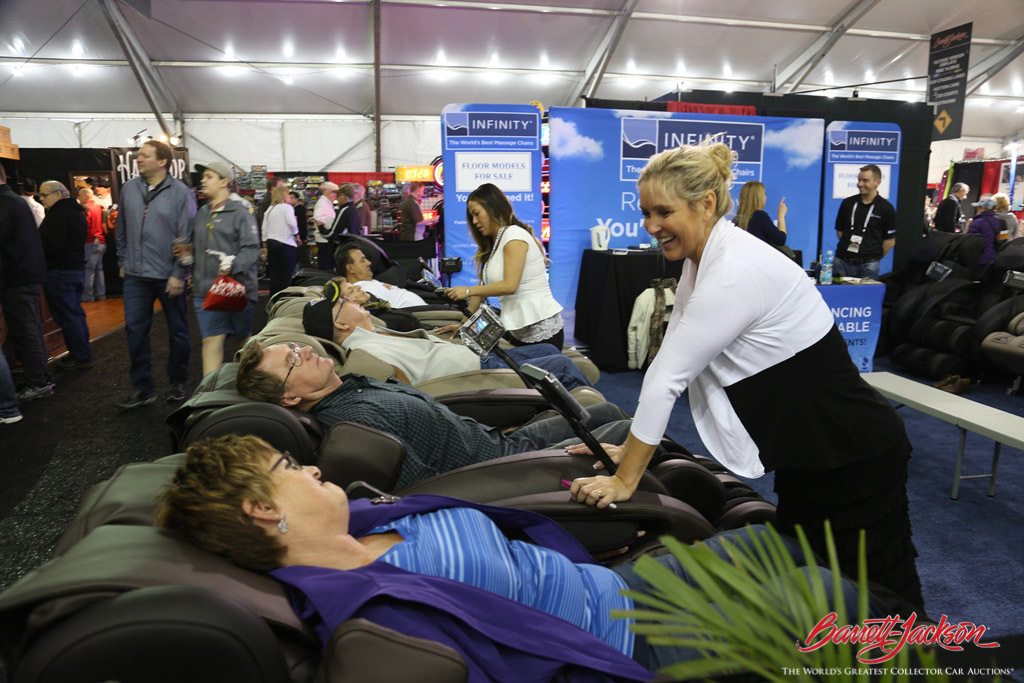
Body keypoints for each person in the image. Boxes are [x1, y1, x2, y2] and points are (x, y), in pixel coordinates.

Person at [156, 435, 878, 680]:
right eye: (289, 465)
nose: (311, 469)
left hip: (617, 582)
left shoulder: (367, 515)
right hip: (633, 639)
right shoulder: (368, 607)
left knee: (782, 538)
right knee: (828, 594)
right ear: (261, 509)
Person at [567, 143, 925, 613]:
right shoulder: (704, 261)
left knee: (874, 597)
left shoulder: (734, 268)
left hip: (853, 457)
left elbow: (666, 380)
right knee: (826, 594)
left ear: (707, 203)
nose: (651, 226)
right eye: (646, 212)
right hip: (811, 456)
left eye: (663, 211)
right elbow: (667, 366)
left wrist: (626, 478)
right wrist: (634, 452)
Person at [236, 341, 632, 490]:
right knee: (629, 427)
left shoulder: (352, 385)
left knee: (604, 409)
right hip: (505, 468)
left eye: (294, 346)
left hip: (498, 441)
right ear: (288, 397)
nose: (303, 351)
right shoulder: (356, 423)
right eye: (291, 359)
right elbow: (431, 488)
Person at [301, 288, 591, 390]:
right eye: (345, 304)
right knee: (560, 364)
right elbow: (411, 388)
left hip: (475, 358)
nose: (354, 301)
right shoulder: (364, 351)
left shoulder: (371, 335)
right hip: (475, 375)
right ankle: (612, 433)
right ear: (339, 322)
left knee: (544, 349)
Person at [445, 183, 564, 348]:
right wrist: (464, 324)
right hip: (519, 330)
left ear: (493, 208)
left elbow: (510, 285)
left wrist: (466, 291)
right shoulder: (497, 242)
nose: (474, 221)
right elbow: (481, 291)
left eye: (477, 214)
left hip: (541, 330)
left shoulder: (514, 237)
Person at [189, 161, 261, 378]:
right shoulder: (201, 213)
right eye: (203, 176)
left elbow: (252, 248)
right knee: (211, 340)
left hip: (236, 291)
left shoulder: (241, 213)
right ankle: (208, 396)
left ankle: (251, 384)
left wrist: (233, 265)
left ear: (223, 182)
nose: (203, 180)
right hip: (206, 291)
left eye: (208, 176)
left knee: (242, 341)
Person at [0, 164, 52, 401]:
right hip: (25, 275)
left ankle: (38, 382)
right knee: (30, 328)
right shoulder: (15, 201)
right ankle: (41, 378)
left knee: (26, 330)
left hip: (16, 277)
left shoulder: (5, 203)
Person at [38, 181, 93, 371]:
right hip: (74, 269)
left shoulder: (58, 215)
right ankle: (82, 352)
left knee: (68, 316)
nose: (41, 199)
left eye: (44, 195)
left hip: (60, 271)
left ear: (59, 194)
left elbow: (51, 244)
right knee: (75, 314)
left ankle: (80, 355)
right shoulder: (76, 213)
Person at [832, 164, 896, 280]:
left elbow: (890, 242)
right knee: (839, 296)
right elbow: (840, 231)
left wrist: (873, 257)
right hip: (841, 262)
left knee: (865, 297)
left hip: (869, 266)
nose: (860, 184)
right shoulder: (848, 203)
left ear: (878, 182)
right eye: (859, 180)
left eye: (865, 180)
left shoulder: (886, 208)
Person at [337, 246, 426, 307]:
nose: (369, 263)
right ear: (350, 268)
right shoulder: (364, 290)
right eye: (363, 261)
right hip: (422, 317)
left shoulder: (369, 283)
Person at [261, 184, 300, 296]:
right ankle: (284, 301)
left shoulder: (269, 209)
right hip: (286, 244)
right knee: (286, 276)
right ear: (284, 195)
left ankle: (274, 299)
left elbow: (264, 228)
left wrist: (264, 245)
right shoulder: (287, 207)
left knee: (275, 275)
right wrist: (296, 235)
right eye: (288, 194)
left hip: (271, 244)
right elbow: (291, 223)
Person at [733, 181, 787, 247]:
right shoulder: (759, 216)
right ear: (758, 197)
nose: (765, 197)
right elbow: (780, 240)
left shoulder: (736, 220)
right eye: (764, 194)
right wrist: (781, 216)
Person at [77, 187, 106, 302]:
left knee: (89, 269)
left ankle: (88, 296)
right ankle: (101, 294)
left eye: (79, 195)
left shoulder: (85, 208)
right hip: (101, 241)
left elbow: (85, 225)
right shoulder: (100, 207)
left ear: (85, 195)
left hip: (91, 241)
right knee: (99, 269)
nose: (78, 198)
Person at [966, 196, 1001, 266]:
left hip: (979, 258)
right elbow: (1003, 240)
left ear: (983, 208)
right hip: (994, 258)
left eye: (979, 207)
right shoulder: (1000, 222)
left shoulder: (977, 222)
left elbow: (970, 241)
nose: (977, 209)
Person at [312, 181, 338, 271]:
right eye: (335, 193)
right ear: (329, 192)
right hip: (324, 240)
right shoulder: (323, 203)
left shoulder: (326, 203)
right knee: (325, 267)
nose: (336, 196)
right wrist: (324, 230)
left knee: (326, 265)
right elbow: (318, 217)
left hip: (326, 240)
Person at [290, 190, 310, 268]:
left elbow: (302, 224)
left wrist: (302, 237)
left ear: (297, 199)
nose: (290, 200)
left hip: (300, 238)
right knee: (299, 257)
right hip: (297, 237)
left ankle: (309, 274)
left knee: (303, 258)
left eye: (292, 198)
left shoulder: (300, 209)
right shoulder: (294, 209)